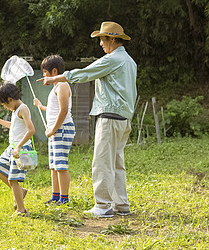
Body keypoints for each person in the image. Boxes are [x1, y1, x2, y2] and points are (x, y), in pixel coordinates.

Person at [38, 21, 137, 218]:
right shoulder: (129, 61)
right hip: (124, 118)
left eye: (102, 39)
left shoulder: (112, 59)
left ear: (111, 39)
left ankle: (102, 206)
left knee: (102, 162)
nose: (100, 44)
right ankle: (121, 205)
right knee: (117, 162)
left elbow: (85, 73)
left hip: (109, 116)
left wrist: (55, 79)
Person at [33, 55, 75, 205]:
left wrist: (52, 130)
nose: (44, 76)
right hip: (56, 130)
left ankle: (64, 198)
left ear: (54, 71)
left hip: (62, 129)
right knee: (54, 165)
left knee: (61, 165)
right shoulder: (56, 87)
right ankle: (55, 196)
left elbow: (63, 111)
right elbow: (53, 109)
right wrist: (40, 106)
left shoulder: (62, 85)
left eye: (45, 72)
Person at [0, 82, 36, 217]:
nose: (5, 107)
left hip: (22, 150)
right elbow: (13, 125)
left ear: (10, 99)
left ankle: (21, 210)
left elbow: (31, 130)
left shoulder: (23, 109)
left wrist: (19, 146)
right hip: (12, 149)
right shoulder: (15, 110)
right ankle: (20, 192)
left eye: (4, 104)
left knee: (13, 179)